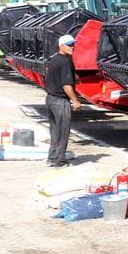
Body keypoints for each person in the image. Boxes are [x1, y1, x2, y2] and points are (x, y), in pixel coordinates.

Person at [45, 34, 82, 166]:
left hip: (50, 99)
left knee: (55, 131)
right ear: (61, 46)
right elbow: (66, 85)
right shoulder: (65, 62)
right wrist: (75, 100)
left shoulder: (55, 59)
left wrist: (74, 75)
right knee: (63, 132)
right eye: (69, 45)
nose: (72, 47)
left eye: (73, 44)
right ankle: (59, 161)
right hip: (60, 102)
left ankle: (52, 158)